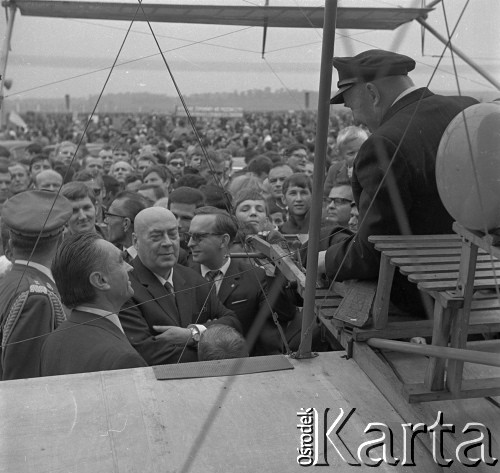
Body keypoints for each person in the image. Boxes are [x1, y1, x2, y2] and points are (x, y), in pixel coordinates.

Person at [318, 49, 478, 317]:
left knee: (326, 249)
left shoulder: (383, 143)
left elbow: (372, 253)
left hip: (419, 296)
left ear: (372, 93)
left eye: (352, 106)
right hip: (478, 281)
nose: (356, 119)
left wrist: (317, 261)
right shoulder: (469, 108)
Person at [118, 207, 242, 365]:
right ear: (135, 241)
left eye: (172, 234)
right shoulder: (126, 288)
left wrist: (192, 335)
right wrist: (218, 351)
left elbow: (233, 324)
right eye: (156, 236)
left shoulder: (191, 278)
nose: (168, 243)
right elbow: (148, 353)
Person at [40, 232, 147, 376]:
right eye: (121, 261)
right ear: (100, 281)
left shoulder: (53, 340)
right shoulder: (123, 359)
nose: (130, 267)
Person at [0, 190, 72, 380]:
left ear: (11, 243)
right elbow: (26, 380)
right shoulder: (36, 298)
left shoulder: (10, 280)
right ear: (61, 240)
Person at [188, 207, 278, 353]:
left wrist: (276, 276)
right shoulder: (181, 277)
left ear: (224, 240)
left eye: (199, 237)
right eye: (189, 236)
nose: (190, 243)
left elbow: (280, 319)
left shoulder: (255, 277)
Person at [323, 126, 369, 197]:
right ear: (341, 155)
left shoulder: (373, 168)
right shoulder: (335, 170)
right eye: (351, 153)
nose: (357, 157)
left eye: (361, 151)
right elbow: (326, 196)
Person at [105, 191, 149, 263]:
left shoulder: (152, 259)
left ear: (126, 223)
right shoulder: (108, 257)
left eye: (109, 216)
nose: (105, 221)